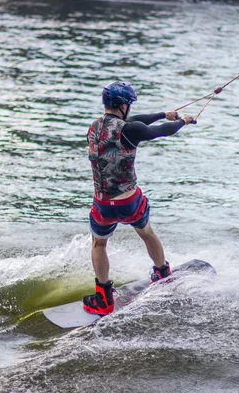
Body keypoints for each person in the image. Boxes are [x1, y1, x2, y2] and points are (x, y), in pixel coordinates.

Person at [83, 81, 195, 316]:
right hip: (128, 201)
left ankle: (103, 297)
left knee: (99, 244)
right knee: (146, 232)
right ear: (123, 105)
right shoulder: (130, 131)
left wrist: (164, 113)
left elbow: (135, 123)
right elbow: (160, 131)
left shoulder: (93, 128)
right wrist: (181, 121)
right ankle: (162, 274)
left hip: (102, 204)